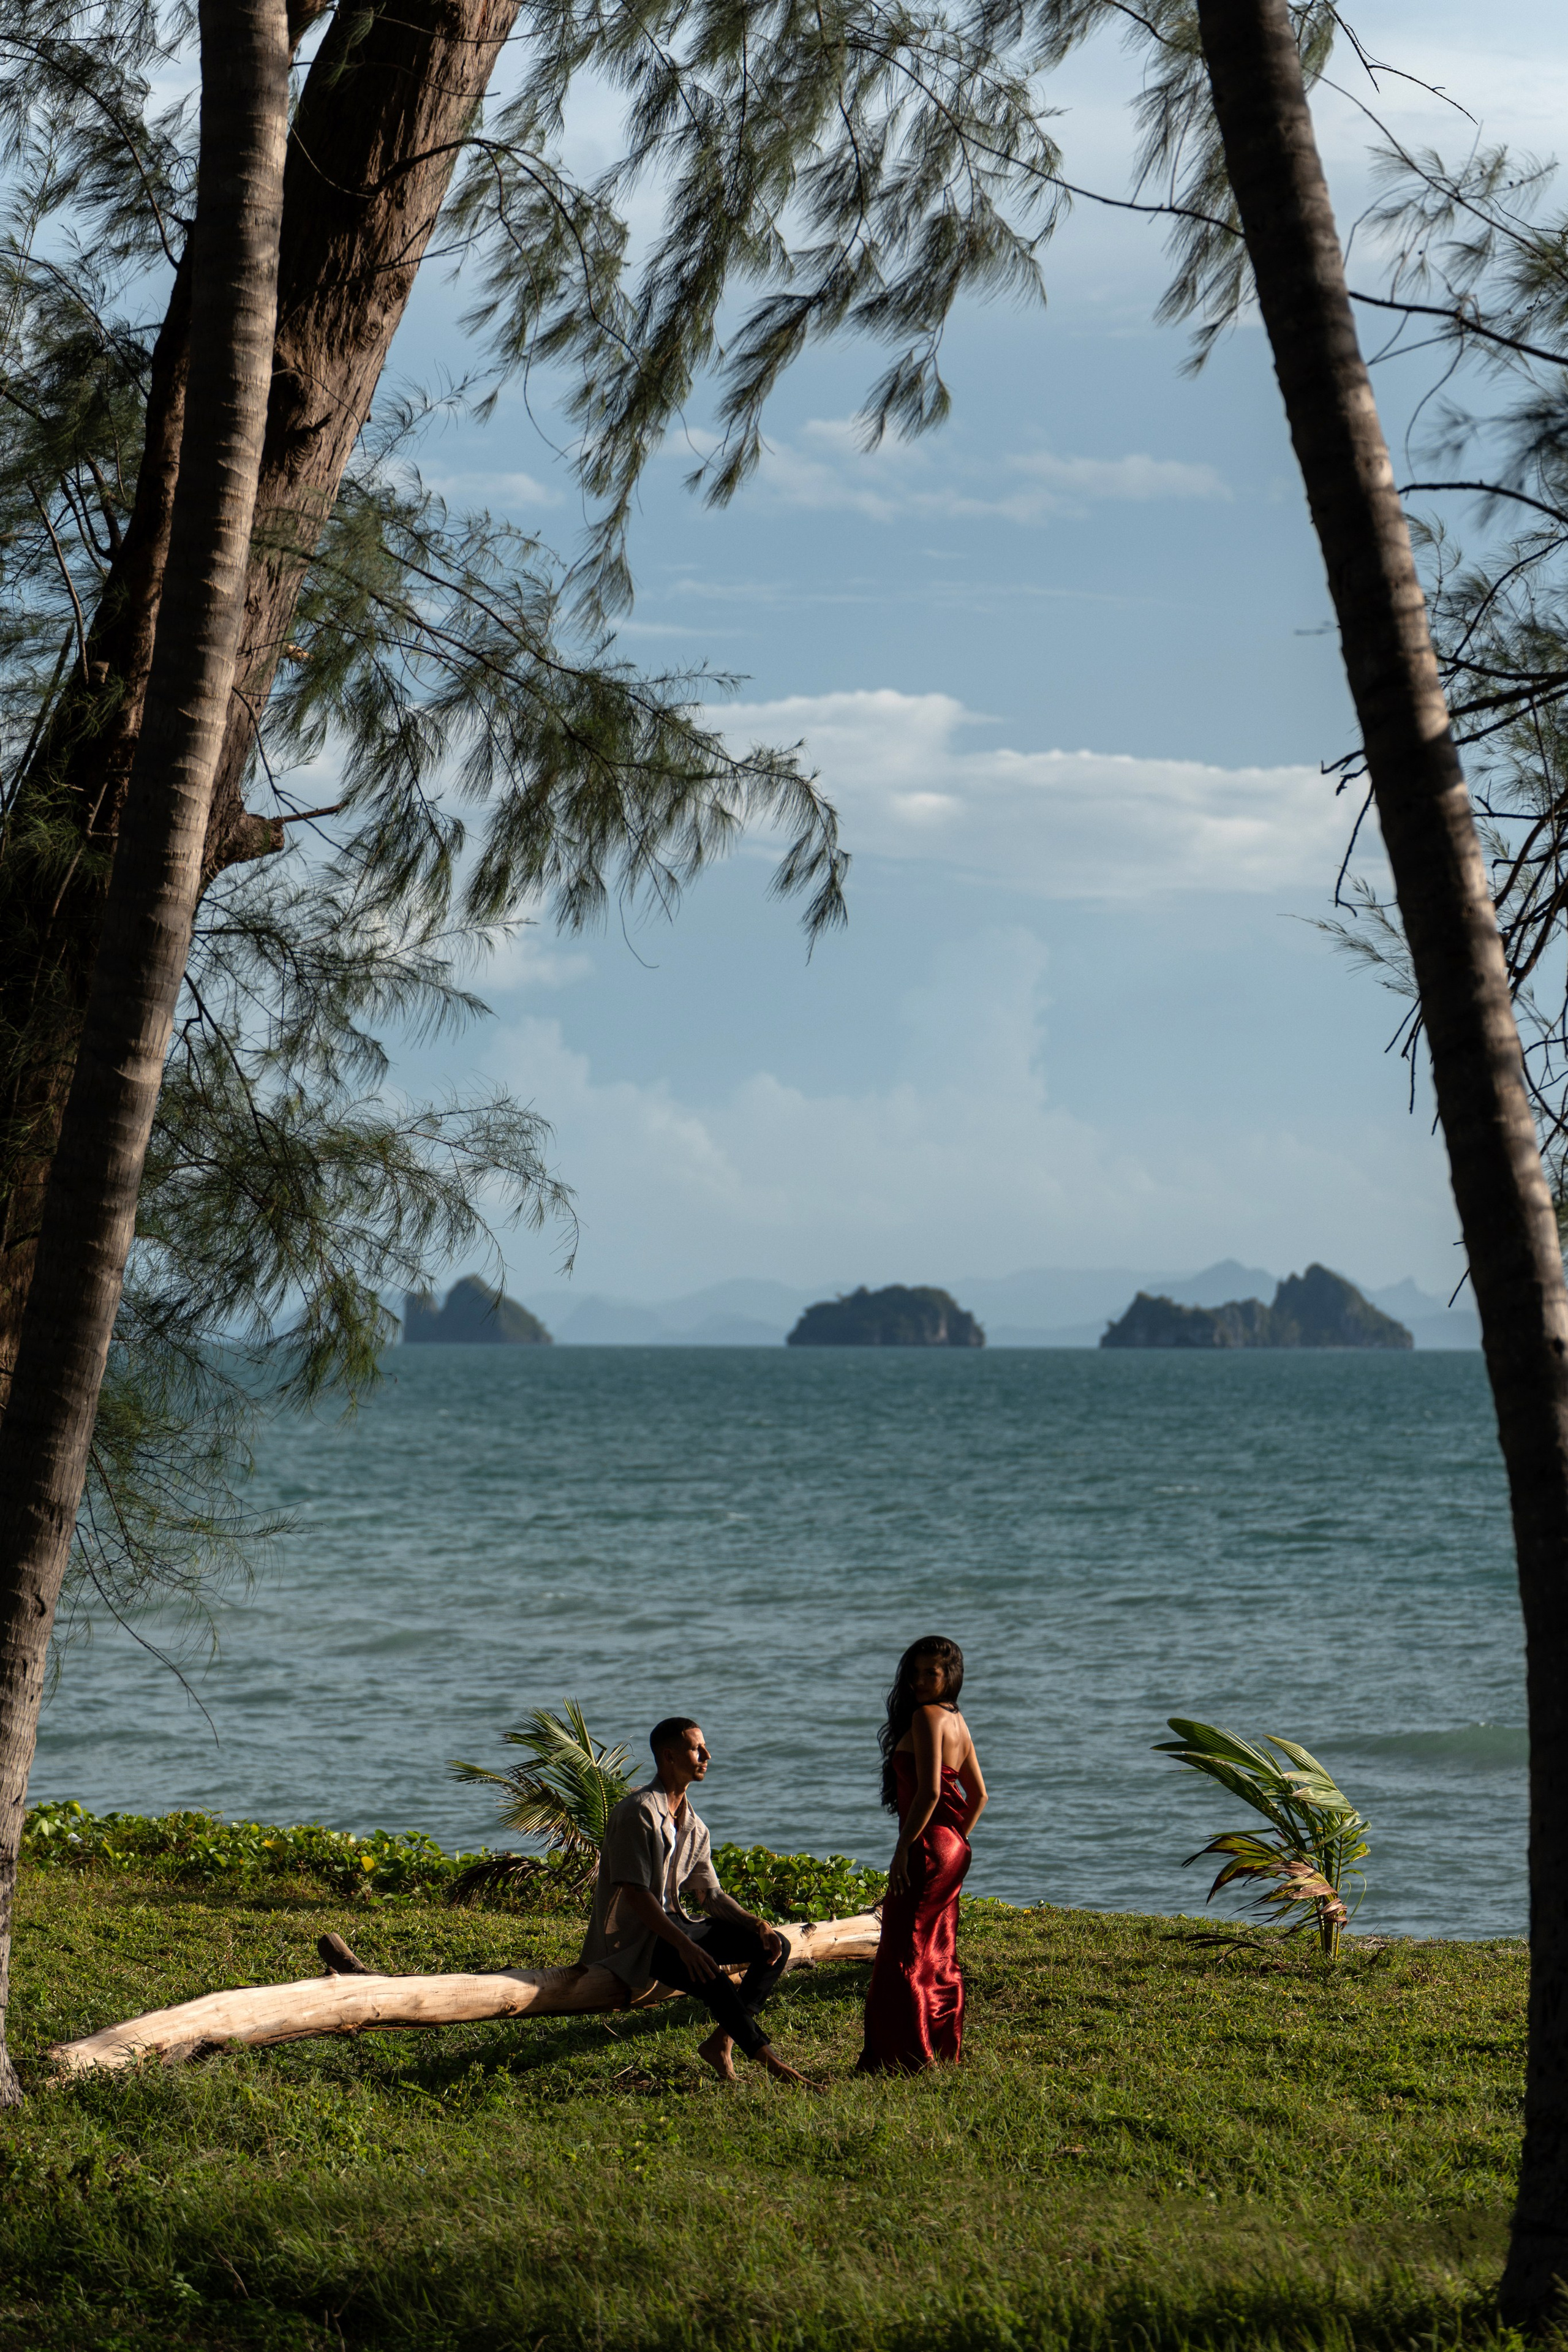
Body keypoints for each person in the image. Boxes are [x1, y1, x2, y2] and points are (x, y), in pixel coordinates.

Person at [579, 1715, 815, 2084]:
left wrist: (758, 1925)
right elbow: (638, 1897)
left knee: (775, 1946)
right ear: (669, 1757)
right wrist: (686, 1949)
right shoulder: (637, 1812)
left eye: (704, 1747)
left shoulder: (694, 1825)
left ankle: (722, 2042)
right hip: (637, 1940)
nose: (707, 1754)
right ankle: (775, 2065)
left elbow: (710, 1896)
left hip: (677, 1929)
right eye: (696, 1748)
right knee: (711, 1976)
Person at [858, 1634, 987, 2075]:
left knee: (903, 1954)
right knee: (939, 1953)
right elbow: (980, 1796)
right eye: (913, 1672)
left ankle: (908, 2058)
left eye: (931, 1672)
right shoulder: (958, 1720)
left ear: (951, 1675)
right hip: (951, 1849)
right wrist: (954, 1842)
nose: (919, 1681)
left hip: (927, 1850)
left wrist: (904, 1851)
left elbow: (931, 1791)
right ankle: (940, 2047)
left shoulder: (929, 1717)